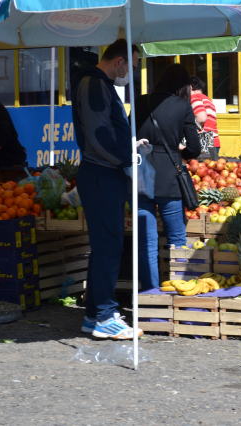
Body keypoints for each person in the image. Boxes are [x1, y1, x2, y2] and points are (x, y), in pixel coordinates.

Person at [71, 39, 142, 340]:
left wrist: (130, 147)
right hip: (101, 175)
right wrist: (127, 156)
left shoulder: (96, 83)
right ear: (119, 62)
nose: (132, 73)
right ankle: (104, 317)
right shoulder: (94, 84)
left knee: (106, 247)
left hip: (103, 174)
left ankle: (93, 315)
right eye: (133, 66)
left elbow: (103, 132)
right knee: (109, 247)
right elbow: (99, 135)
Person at [131, 64, 202, 291]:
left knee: (147, 244)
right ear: (183, 87)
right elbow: (194, 149)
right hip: (170, 178)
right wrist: (178, 149)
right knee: (177, 241)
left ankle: (150, 295)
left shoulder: (140, 102)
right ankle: (179, 293)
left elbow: (126, 134)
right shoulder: (183, 106)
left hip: (141, 178)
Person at [190, 76, 221, 155]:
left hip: (202, 142)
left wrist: (187, 126)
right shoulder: (207, 100)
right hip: (214, 142)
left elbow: (201, 118)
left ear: (189, 87)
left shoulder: (194, 98)